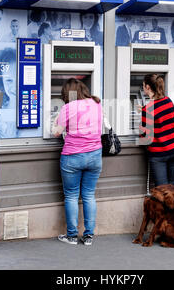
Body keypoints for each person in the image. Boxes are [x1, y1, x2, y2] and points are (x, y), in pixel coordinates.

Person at [52, 78, 103, 246]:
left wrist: (55, 121)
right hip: (95, 155)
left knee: (72, 196)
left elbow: (57, 133)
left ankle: (72, 236)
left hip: (73, 156)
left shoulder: (68, 108)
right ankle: (88, 236)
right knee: (89, 195)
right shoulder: (96, 103)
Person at [139, 74, 174, 216]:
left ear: (148, 87)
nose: (143, 88)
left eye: (144, 85)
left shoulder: (149, 109)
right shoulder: (168, 101)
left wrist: (142, 118)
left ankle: (168, 229)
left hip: (160, 154)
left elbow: (146, 138)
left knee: (164, 193)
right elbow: (170, 122)